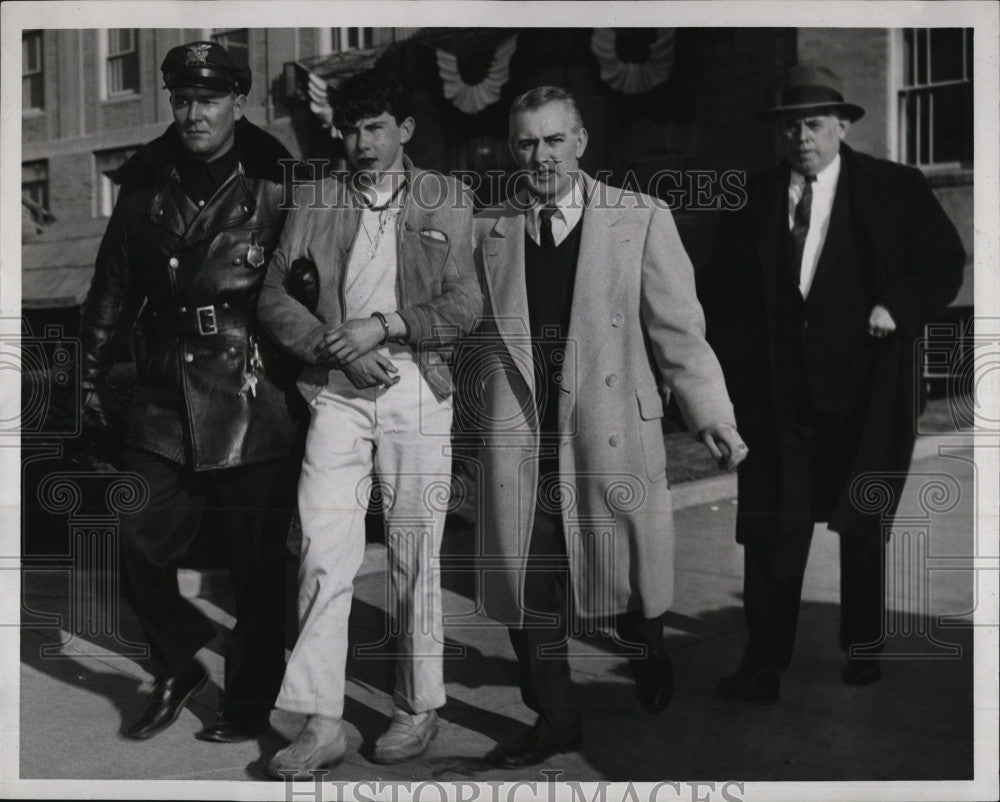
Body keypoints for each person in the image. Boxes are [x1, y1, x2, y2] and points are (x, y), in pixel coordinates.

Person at [468, 86, 747, 768]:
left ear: (581, 143)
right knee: (526, 584)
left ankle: (647, 645)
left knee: (625, 576)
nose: (541, 156)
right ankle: (555, 718)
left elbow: (679, 332)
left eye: (554, 140)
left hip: (610, 425)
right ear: (514, 149)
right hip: (520, 434)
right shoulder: (490, 228)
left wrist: (711, 414)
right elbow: (471, 338)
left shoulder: (640, 218)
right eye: (527, 142)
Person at [704, 64, 965, 702]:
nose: (802, 136)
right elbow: (722, 293)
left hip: (865, 390)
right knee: (773, 527)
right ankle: (763, 664)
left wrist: (896, 306)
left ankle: (862, 646)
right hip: (777, 396)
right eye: (790, 125)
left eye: (815, 124)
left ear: (843, 125)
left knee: (863, 521)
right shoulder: (752, 196)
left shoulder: (893, 188)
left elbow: (942, 260)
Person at [255, 69, 482, 778]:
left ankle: (417, 707)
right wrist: (339, 351)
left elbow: (465, 305)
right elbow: (272, 298)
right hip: (338, 389)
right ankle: (322, 721)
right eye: (351, 129)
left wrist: (383, 327)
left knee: (416, 553)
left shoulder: (449, 197)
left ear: (405, 130)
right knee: (324, 552)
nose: (360, 142)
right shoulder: (317, 197)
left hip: (418, 383)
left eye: (375, 127)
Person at [79, 41, 304, 742]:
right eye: (181, 100)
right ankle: (181, 660)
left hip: (252, 390)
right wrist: (85, 381)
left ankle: (249, 702)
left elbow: (307, 284)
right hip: (166, 396)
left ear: (239, 101)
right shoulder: (144, 185)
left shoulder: (278, 180)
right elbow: (109, 293)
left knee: (258, 566)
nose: (193, 113)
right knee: (132, 536)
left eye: (207, 99)